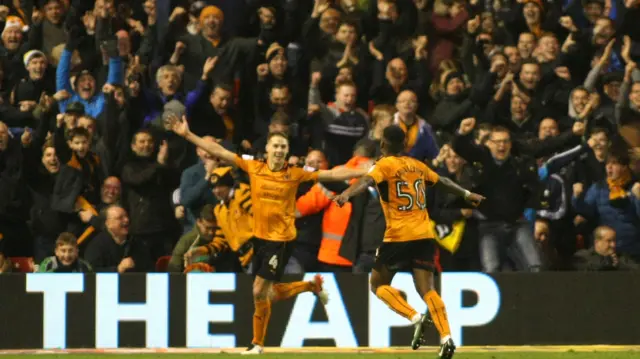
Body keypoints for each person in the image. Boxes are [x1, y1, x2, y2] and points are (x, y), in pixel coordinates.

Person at [168, 115, 370, 355]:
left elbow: (332, 175)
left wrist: (366, 168)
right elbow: (219, 151)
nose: (279, 149)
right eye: (275, 145)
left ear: (286, 151)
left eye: (283, 146)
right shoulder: (254, 166)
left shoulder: (296, 172)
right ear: (267, 148)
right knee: (269, 293)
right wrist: (188, 135)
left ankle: (257, 344)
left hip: (282, 240)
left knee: (257, 291)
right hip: (260, 240)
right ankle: (310, 287)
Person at [333, 125, 485, 359]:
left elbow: (365, 181)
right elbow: (442, 180)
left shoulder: (384, 165)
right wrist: (466, 194)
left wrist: (346, 194)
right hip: (424, 235)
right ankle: (446, 337)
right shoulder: (417, 165)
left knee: (377, 285)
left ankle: (415, 317)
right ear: (405, 145)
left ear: (383, 144)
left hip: (398, 236)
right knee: (428, 290)